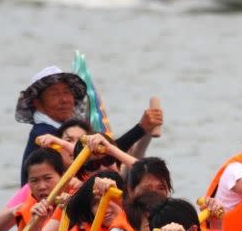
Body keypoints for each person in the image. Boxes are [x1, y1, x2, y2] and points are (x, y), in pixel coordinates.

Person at [15, 65, 163, 185]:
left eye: (67, 92)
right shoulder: (43, 134)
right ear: (37, 103)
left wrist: (144, 132)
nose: (64, 100)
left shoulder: (61, 128)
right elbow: (94, 156)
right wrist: (140, 128)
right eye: (55, 94)